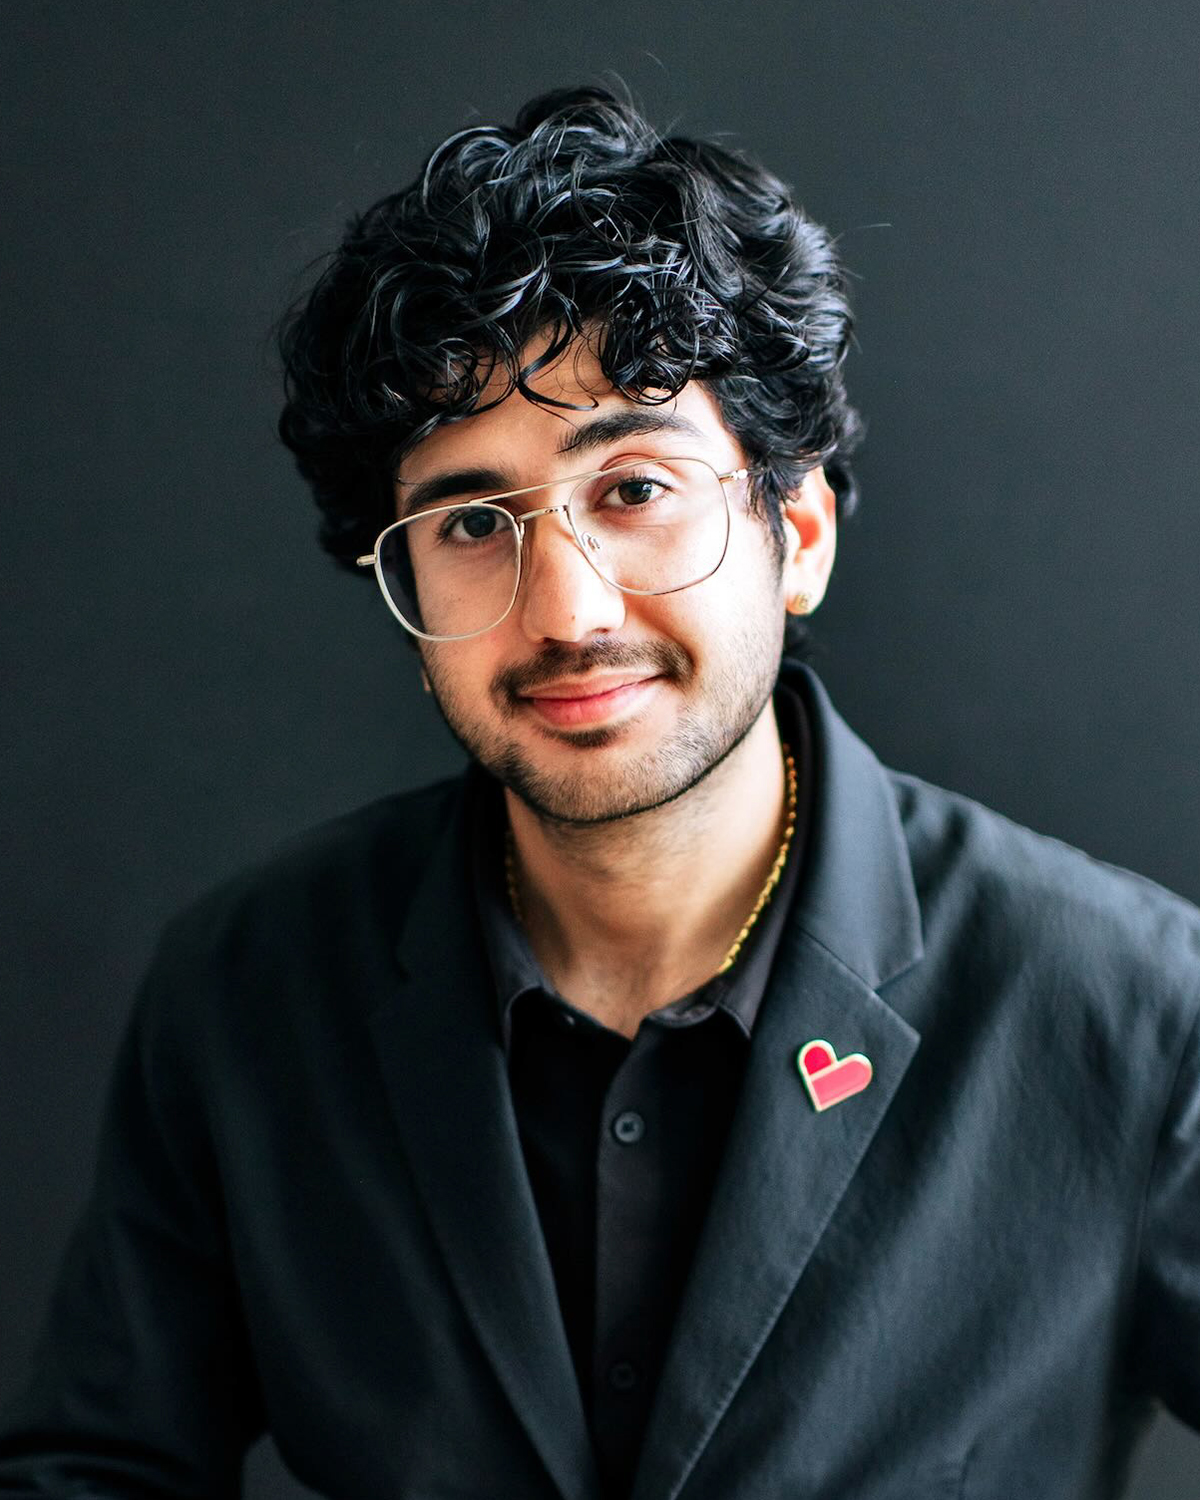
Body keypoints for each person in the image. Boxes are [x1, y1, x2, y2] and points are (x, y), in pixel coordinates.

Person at [0, 83, 1197, 1500]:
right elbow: (95, 1468)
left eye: (633, 489)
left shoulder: (1130, 1007)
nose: (566, 611)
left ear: (799, 533)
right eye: (471, 521)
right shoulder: (247, 993)